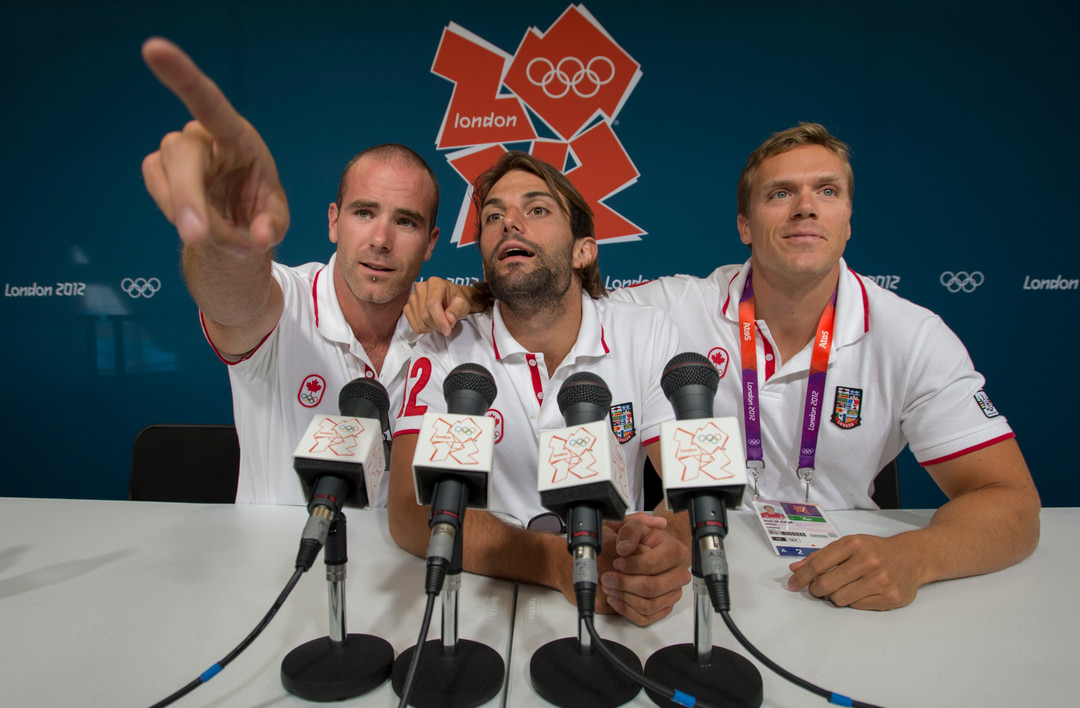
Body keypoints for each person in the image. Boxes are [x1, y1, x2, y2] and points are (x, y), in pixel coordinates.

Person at [404, 123, 1041, 611]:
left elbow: (1011, 501)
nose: (804, 209)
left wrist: (916, 558)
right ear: (744, 222)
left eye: (827, 191)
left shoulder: (914, 335)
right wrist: (465, 296)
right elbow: (549, 301)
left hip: (826, 569)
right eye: (779, 194)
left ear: (850, 219)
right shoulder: (672, 309)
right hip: (689, 561)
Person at [387, 151, 691, 626]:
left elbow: (686, 487)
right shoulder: (444, 346)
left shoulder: (645, 332)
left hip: (614, 593)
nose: (510, 223)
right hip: (474, 598)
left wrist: (661, 549)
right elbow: (409, 510)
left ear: (582, 250)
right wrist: (551, 562)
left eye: (537, 209)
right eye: (492, 216)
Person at [141, 38, 440, 505]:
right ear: (333, 222)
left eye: (406, 221)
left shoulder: (444, 327)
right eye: (364, 213)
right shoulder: (288, 300)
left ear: (430, 244)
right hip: (276, 575)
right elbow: (234, 303)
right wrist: (233, 242)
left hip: (405, 574)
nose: (381, 239)